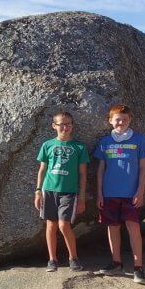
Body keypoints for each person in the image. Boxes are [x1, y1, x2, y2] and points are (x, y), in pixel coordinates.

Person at [93, 104, 145, 284]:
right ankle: (116, 263)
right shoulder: (105, 142)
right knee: (112, 227)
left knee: (133, 227)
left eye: (125, 119)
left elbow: (143, 168)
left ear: (130, 120)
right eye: (117, 119)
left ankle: (138, 267)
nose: (121, 122)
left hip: (131, 193)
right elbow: (101, 170)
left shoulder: (139, 140)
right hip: (109, 192)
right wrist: (99, 194)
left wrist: (140, 191)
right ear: (110, 121)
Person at [34, 110, 89, 271]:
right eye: (61, 124)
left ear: (72, 126)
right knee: (50, 225)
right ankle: (52, 259)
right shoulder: (47, 145)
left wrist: (82, 196)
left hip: (69, 192)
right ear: (54, 126)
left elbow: (83, 173)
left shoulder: (79, 146)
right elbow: (42, 170)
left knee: (64, 225)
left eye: (68, 124)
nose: (65, 127)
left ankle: (73, 258)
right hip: (49, 190)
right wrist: (38, 191)